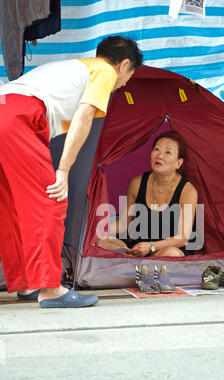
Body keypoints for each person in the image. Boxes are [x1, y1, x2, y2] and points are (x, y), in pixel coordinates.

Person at [0, 36, 143, 308]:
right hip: (18, 119)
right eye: (129, 76)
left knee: (13, 207)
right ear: (123, 65)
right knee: (51, 200)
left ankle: (27, 282)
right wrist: (63, 171)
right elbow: (84, 116)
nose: (123, 84)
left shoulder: (70, 67)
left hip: (5, 109)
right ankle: (51, 289)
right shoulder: (103, 70)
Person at [98, 130, 199, 257]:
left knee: (172, 254)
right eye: (157, 149)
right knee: (100, 240)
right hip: (138, 247)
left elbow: (182, 238)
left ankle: (135, 263)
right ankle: (134, 260)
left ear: (179, 163)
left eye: (168, 152)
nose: (160, 156)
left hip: (167, 249)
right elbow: (124, 224)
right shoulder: (136, 183)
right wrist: (98, 230)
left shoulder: (188, 191)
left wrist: (151, 246)